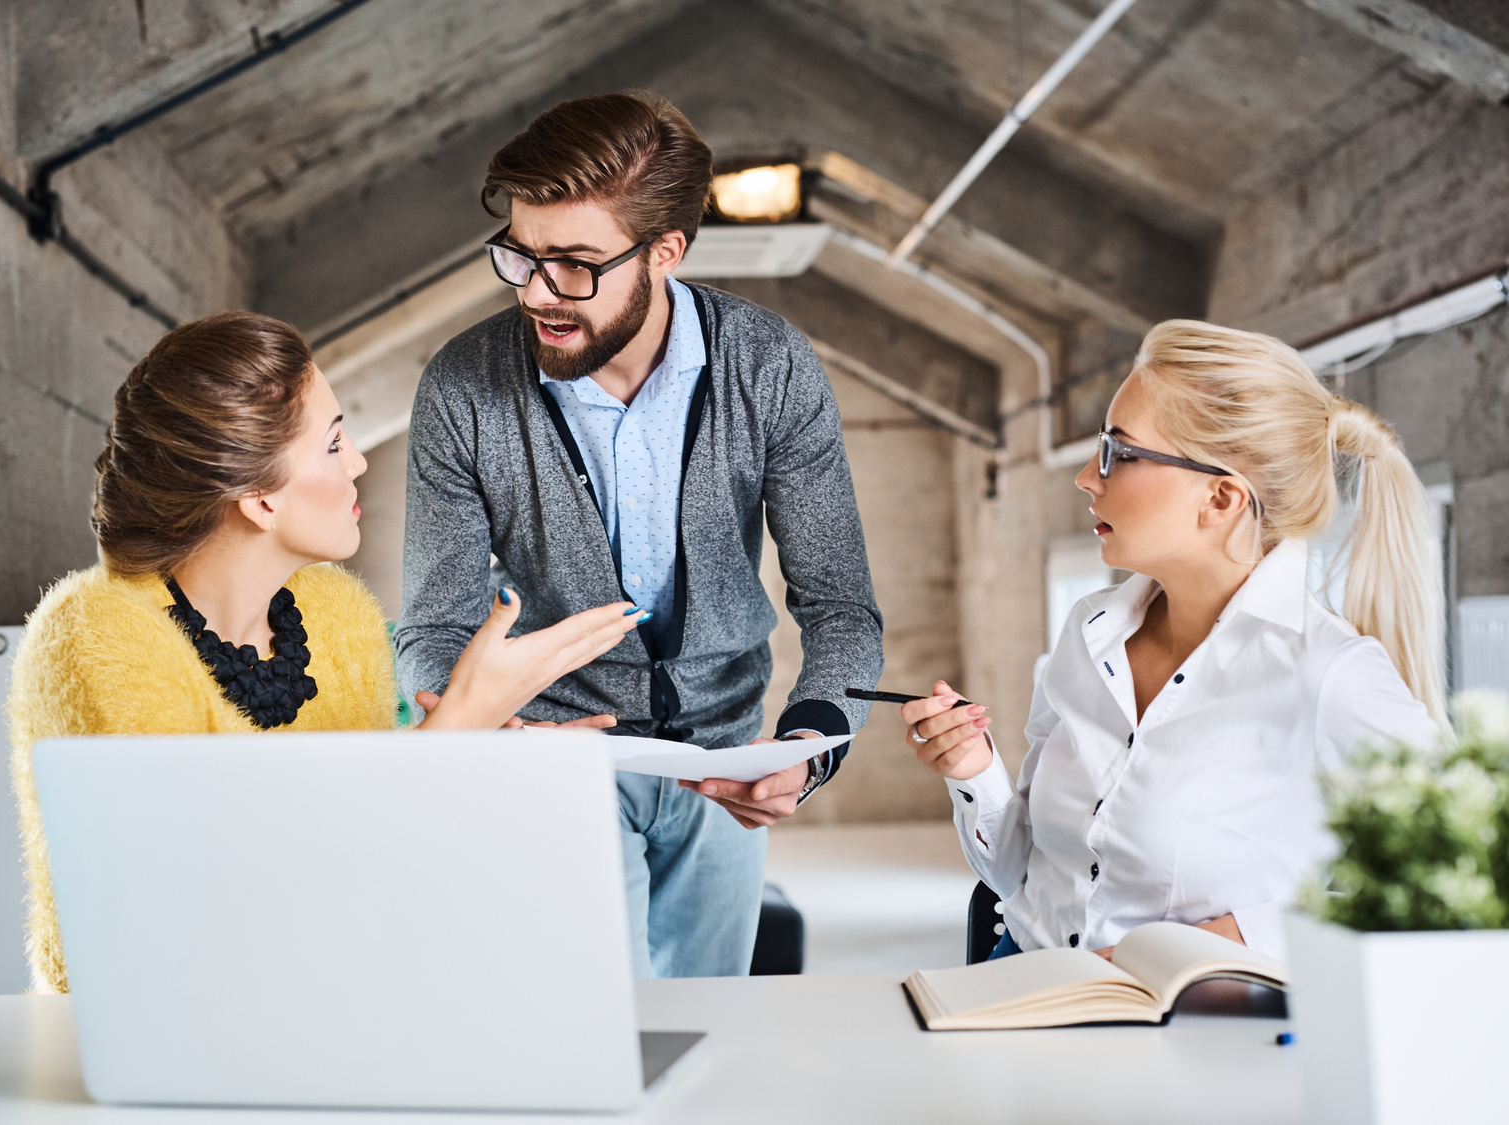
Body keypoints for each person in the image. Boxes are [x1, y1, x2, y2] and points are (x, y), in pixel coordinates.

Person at [394, 91, 885, 978]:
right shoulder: (462, 387)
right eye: (523, 255)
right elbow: (433, 629)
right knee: (590, 1036)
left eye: (576, 264)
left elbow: (842, 608)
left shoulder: (770, 367)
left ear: (666, 251)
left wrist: (809, 747)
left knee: (710, 1037)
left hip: (726, 753)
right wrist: (489, 734)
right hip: (553, 764)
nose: (539, 292)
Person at [9, 311, 645, 993]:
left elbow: (370, 867)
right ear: (259, 498)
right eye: (335, 444)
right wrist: (451, 729)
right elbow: (209, 902)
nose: (360, 463)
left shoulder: (336, 614)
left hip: (333, 1002)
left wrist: (484, 767)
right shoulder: (97, 633)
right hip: (161, 1027)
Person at [903, 319, 1444, 961]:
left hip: (1194, 1028)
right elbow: (1024, 874)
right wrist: (975, 772)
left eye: (1118, 452)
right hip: (1026, 984)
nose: (1085, 475)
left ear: (1220, 498)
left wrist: (1229, 941)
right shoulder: (1089, 634)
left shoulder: (1329, 673)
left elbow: (1449, 868)